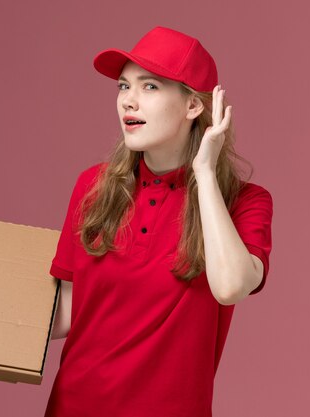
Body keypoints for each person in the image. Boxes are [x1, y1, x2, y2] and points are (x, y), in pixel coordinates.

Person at [45, 26, 273, 417]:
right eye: (123, 87)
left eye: (149, 87)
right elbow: (66, 310)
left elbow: (231, 286)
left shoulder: (246, 202)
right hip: (74, 407)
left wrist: (204, 172)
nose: (128, 102)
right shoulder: (93, 186)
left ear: (193, 106)